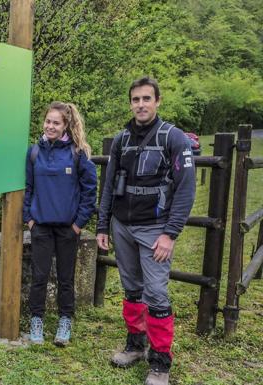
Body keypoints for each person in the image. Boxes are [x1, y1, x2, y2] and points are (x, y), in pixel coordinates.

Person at [96, 77, 196, 385]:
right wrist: (103, 224)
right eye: (136, 99)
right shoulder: (121, 139)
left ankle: (161, 362)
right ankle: (135, 346)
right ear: (130, 103)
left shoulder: (174, 138)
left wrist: (170, 234)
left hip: (155, 228)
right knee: (131, 288)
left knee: (156, 293)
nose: (141, 104)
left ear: (157, 101)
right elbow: (109, 183)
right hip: (122, 225)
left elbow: (185, 189)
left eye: (146, 99)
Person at [23, 101, 97, 346]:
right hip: (41, 226)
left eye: (56, 122)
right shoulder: (34, 152)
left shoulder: (78, 153)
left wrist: (78, 224)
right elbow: (29, 188)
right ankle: (36, 320)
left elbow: (90, 191)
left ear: (66, 125)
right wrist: (29, 219)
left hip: (68, 228)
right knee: (39, 277)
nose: (50, 126)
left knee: (66, 278)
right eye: (48, 121)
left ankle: (65, 320)